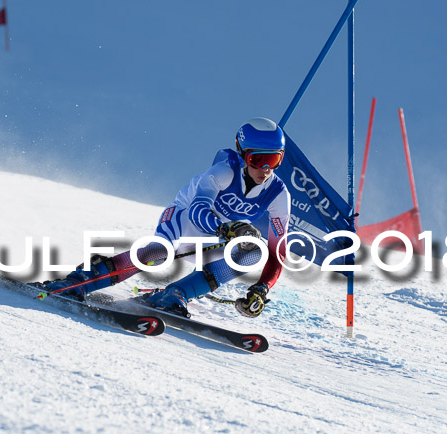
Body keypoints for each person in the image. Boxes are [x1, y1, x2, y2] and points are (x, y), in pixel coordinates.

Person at [37, 117, 291, 318]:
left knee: (252, 252)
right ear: (242, 153)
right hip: (184, 219)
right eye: (259, 159)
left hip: (213, 238)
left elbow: (277, 252)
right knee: (159, 251)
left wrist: (262, 288)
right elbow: (198, 209)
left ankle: (174, 295)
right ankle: (80, 282)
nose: (266, 169)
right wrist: (225, 228)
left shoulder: (279, 195)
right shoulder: (224, 171)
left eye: (275, 160)